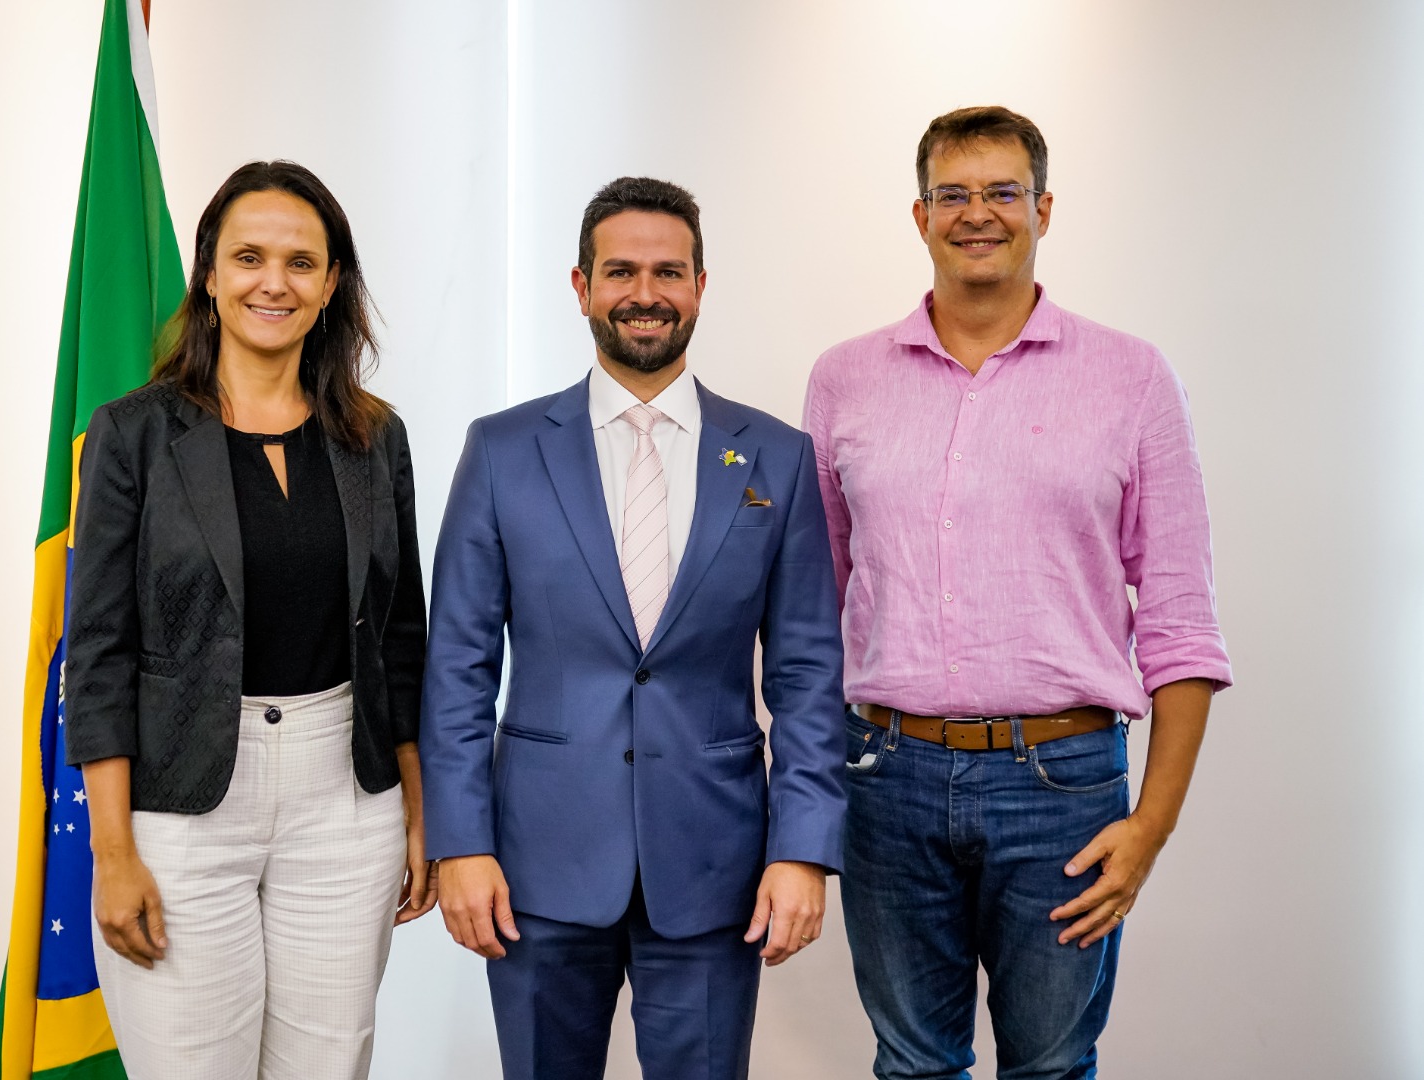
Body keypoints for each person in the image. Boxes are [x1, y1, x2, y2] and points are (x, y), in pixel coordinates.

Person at [804, 106, 1233, 1080]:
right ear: (919, 216)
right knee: (911, 1065)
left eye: (1002, 191)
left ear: (1043, 208)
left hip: (1063, 787)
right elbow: (814, 610)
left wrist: (1152, 827)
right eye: (952, 194)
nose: (978, 213)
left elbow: (1180, 622)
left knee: (1050, 1066)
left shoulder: (1132, 378)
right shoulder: (843, 381)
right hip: (885, 778)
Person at [420, 176, 846, 1080]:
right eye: (620, 271)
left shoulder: (776, 457)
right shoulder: (502, 451)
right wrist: (461, 843)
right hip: (534, 870)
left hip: (714, 869)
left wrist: (804, 849)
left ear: (700, 286)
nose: (644, 293)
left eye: (667, 272)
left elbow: (808, 674)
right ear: (581, 286)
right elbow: (457, 667)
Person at [63, 160, 434, 1080]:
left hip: (346, 802)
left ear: (332, 283)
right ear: (209, 273)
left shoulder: (376, 437)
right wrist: (112, 852)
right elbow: (98, 652)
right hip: (178, 804)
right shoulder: (132, 433)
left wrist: (422, 812)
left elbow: (401, 639)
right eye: (249, 258)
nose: (275, 282)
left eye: (302, 262)